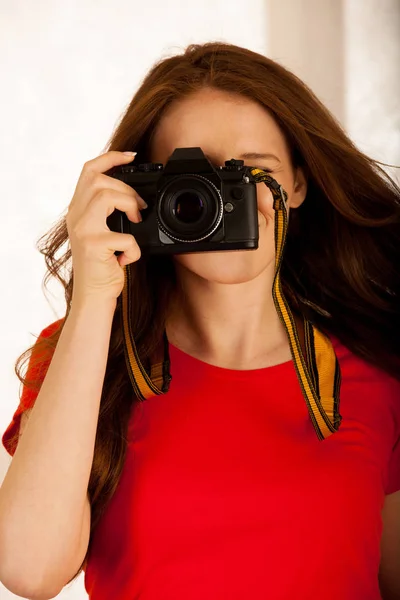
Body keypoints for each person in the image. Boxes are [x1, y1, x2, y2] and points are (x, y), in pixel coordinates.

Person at [0, 41, 399, 600]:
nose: (224, 201)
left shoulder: (377, 367)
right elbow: (27, 571)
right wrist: (95, 297)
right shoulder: (88, 356)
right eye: (195, 180)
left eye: (252, 173)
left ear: (300, 186)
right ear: (142, 193)